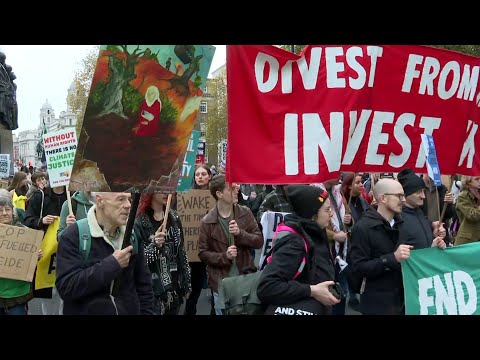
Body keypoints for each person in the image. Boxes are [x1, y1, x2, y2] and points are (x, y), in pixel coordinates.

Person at [56, 192, 154, 315]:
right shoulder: (73, 235)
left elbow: (144, 287)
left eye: (129, 199)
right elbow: (67, 287)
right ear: (100, 201)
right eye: (121, 199)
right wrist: (112, 264)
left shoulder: (132, 236)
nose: (128, 205)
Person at [257, 185, 340, 314]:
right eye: (327, 210)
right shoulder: (294, 243)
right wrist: (311, 291)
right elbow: (267, 286)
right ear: (312, 214)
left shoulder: (316, 231)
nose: (331, 214)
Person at [198, 174, 263, 315]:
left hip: (245, 280)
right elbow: (203, 253)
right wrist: (224, 256)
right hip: (222, 285)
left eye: (236, 187)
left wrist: (240, 234)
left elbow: (259, 241)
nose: (236, 190)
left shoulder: (245, 213)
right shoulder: (207, 221)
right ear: (219, 194)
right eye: (231, 189)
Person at [349, 179, 411, 315]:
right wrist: (391, 259)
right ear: (383, 198)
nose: (404, 200)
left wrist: (433, 247)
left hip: (401, 298)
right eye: (399, 196)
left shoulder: (401, 223)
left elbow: (409, 255)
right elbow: (358, 267)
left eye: (403, 195)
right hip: (377, 303)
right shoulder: (363, 227)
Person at [134, 191, 191, 315]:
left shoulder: (174, 218)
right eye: (162, 190)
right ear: (151, 192)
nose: (167, 193)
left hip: (174, 286)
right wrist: (155, 246)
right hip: (153, 290)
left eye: (170, 190)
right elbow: (139, 260)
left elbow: (181, 251)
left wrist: (186, 281)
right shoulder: (139, 222)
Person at [0, 192, 42, 315]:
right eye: (0, 210)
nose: (4, 213)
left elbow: (28, 262)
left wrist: (35, 256)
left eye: (7, 209)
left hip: (18, 293)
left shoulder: (26, 233)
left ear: (13, 212)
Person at [185, 165, 213, 315]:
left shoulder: (217, 195)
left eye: (203, 174)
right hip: (191, 248)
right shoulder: (186, 195)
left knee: (206, 286)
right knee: (189, 287)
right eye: (197, 174)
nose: (200, 177)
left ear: (209, 176)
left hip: (210, 249)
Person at [397, 168, 447, 250]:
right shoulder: (398, 218)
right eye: (418, 192)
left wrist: (433, 230)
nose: (423, 196)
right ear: (406, 194)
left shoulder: (418, 211)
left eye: (423, 191)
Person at [454, 176, 480, 246]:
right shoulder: (463, 196)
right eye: (477, 179)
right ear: (468, 181)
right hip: (468, 240)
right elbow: (472, 215)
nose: (479, 181)